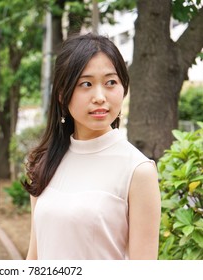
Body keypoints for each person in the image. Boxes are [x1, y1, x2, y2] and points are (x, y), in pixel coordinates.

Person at [23, 33, 161, 260]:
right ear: (61, 94)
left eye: (111, 83)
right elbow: (34, 256)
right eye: (86, 84)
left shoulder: (138, 171)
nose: (99, 97)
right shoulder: (44, 162)